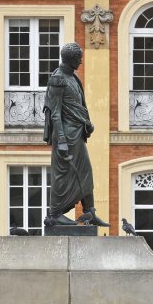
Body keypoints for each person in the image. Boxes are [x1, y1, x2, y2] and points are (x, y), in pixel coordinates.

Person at [43, 42, 107, 227]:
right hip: (66, 136)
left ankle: (90, 212)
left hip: (77, 133)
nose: (81, 60)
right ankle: (54, 214)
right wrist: (61, 140)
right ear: (71, 58)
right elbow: (54, 112)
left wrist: (86, 122)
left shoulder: (73, 77)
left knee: (86, 172)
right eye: (79, 57)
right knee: (62, 175)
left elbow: (79, 106)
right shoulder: (58, 79)